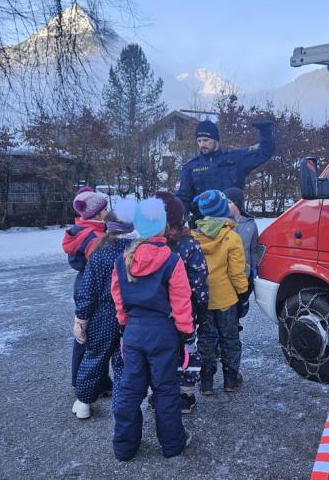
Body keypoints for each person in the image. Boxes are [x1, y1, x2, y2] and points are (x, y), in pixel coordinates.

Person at [111, 197, 195, 460]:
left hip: (134, 333)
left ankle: (124, 447)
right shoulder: (171, 260)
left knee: (129, 389)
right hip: (163, 334)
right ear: (162, 228)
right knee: (166, 390)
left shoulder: (122, 260)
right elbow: (182, 301)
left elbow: (118, 299)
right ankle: (172, 444)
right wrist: (186, 332)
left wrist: (126, 324)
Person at [71, 197, 137, 419]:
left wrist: (81, 318)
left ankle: (83, 402)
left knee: (95, 356)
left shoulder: (100, 252)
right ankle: (122, 399)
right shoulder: (137, 251)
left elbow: (88, 290)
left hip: (103, 315)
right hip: (130, 316)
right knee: (123, 360)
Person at [154, 191, 208, 414]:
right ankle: (184, 394)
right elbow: (199, 282)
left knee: (159, 354)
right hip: (185, 313)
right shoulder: (189, 247)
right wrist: (202, 308)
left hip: (155, 315)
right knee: (186, 352)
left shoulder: (144, 247)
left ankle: (158, 392)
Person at [190, 189, 248, 395]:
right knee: (230, 338)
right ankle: (231, 380)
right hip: (227, 299)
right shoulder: (232, 237)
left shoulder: (193, 237)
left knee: (206, 339)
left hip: (203, 300)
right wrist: (243, 294)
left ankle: (206, 382)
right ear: (224, 210)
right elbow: (236, 272)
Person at [175, 118, 276, 216]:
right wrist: (178, 222)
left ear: (216, 140)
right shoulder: (190, 167)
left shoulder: (235, 159)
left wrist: (265, 132)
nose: (202, 144)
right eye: (199, 141)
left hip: (233, 224)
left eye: (206, 140)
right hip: (202, 226)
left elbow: (264, 153)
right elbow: (182, 199)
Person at [62, 186, 110, 391]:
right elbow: (100, 264)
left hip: (83, 284)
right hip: (92, 288)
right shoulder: (92, 237)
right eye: (105, 209)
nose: (108, 212)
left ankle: (86, 378)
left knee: (83, 334)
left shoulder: (82, 231)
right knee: (91, 335)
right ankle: (88, 380)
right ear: (97, 213)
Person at [225, 187, 258, 319]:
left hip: (244, 273)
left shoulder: (251, 224)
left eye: (229, 202)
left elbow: (253, 248)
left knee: (240, 307)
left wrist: (254, 267)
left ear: (237, 203)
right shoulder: (222, 223)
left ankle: (236, 323)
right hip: (226, 274)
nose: (226, 205)